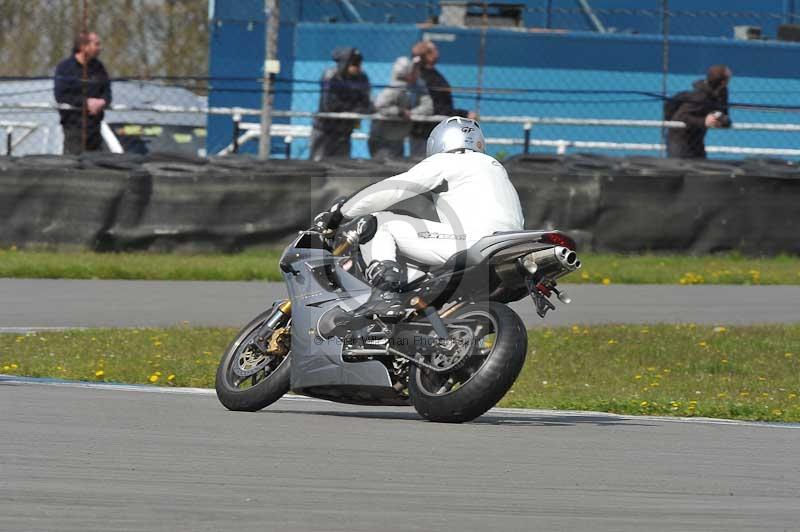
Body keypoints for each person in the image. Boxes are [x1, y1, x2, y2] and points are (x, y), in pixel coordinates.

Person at [319, 116, 523, 293]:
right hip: (511, 244)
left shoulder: (447, 160)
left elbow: (392, 190)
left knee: (379, 223)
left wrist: (340, 213)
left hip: (475, 241)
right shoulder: (495, 167)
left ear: (439, 141)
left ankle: (385, 281)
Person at [409, 40, 475, 158]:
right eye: (434, 50)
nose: (437, 52)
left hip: (433, 130)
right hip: (426, 131)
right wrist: (463, 114)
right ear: (427, 55)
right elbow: (437, 106)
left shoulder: (430, 74)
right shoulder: (426, 78)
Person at [309, 47, 373, 161]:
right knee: (318, 164)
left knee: (340, 166)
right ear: (345, 63)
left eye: (359, 64)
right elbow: (329, 106)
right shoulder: (331, 76)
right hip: (325, 130)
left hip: (344, 132)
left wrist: (353, 109)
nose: (357, 67)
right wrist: (353, 108)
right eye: (354, 64)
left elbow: (366, 104)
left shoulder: (362, 78)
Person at [54, 31, 111, 155]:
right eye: (96, 44)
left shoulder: (99, 68)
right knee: (74, 164)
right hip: (74, 126)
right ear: (83, 47)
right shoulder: (65, 68)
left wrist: (102, 102)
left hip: (94, 127)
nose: (99, 48)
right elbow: (61, 96)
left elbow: (107, 92)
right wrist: (86, 103)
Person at [368, 56, 433, 160]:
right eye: (414, 68)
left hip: (398, 138)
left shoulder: (418, 87)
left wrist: (410, 113)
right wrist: (399, 112)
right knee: (383, 170)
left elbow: (428, 107)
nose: (417, 71)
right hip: (382, 139)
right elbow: (380, 105)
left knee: (396, 170)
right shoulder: (394, 88)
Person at [666, 65, 732, 159]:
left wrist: (723, 120)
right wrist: (704, 121)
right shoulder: (700, 96)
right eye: (728, 79)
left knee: (700, 167)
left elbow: (723, 112)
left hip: (697, 137)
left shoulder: (722, 93)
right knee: (678, 168)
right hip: (679, 138)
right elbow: (681, 116)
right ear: (723, 82)